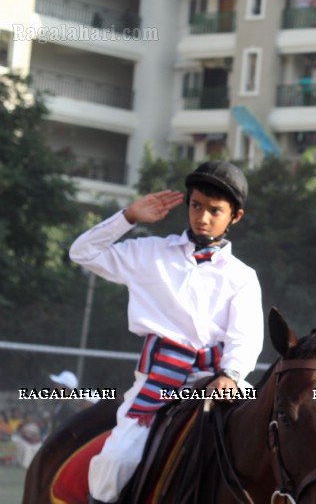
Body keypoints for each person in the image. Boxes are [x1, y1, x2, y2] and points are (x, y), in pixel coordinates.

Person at [69, 160, 263, 504]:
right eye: (196, 206)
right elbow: (82, 252)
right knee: (117, 459)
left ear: (236, 216)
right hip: (158, 381)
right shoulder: (149, 253)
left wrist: (232, 375)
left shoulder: (242, 276)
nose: (202, 217)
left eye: (215, 210)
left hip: (220, 380)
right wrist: (128, 217)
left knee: (283, 422)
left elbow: (245, 337)